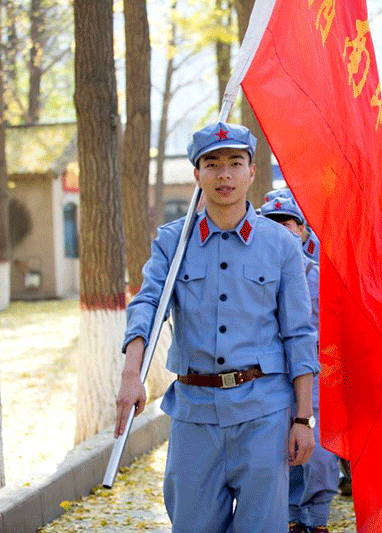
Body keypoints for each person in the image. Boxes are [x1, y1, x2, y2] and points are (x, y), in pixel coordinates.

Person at [115, 121, 319, 532]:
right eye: (212, 164)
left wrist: (302, 418)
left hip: (264, 412)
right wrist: (131, 374)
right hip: (194, 412)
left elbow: (299, 333)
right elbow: (148, 305)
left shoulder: (281, 244)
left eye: (234, 162)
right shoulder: (174, 242)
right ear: (197, 174)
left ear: (250, 170)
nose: (224, 174)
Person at [260, 197, 339, 533]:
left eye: (288, 223)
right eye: (273, 223)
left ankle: (317, 517)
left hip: (316, 377)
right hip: (269, 379)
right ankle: (292, 516)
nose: (282, 230)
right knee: (283, 454)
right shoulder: (255, 279)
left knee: (320, 454)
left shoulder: (322, 277)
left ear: (304, 231)